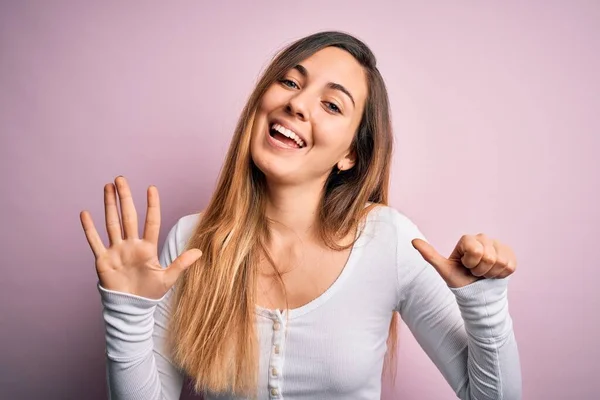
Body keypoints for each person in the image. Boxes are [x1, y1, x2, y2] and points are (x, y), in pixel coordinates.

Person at [80, 31, 522, 400]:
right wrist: (128, 314)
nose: (298, 104)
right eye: (290, 82)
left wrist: (483, 302)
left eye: (332, 105)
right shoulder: (191, 242)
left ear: (351, 153)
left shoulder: (388, 241)